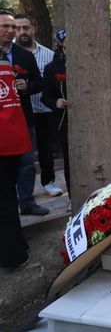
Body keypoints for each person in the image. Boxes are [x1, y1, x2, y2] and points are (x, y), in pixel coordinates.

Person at [0, 10, 48, 216]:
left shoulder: (25, 56)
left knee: (27, 162)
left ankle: (27, 202)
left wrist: (27, 85)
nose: (11, 31)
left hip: (23, 119)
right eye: (7, 26)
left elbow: (40, 82)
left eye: (13, 27)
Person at [14, 14, 62, 196]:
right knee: (22, 154)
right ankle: (22, 190)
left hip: (44, 110)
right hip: (19, 112)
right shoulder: (10, 55)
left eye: (25, 28)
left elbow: (50, 84)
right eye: (17, 29)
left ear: (33, 29)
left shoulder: (49, 55)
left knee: (46, 149)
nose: (22, 32)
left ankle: (48, 182)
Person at [0, 39, 31, 270]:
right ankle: (17, 246)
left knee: (5, 201)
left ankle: (12, 254)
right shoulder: (6, 65)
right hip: (14, 138)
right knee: (8, 196)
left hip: (4, 140)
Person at [41, 30, 71, 196]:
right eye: (67, 47)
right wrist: (56, 102)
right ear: (61, 47)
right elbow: (45, 97)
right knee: (69, 160)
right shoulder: (51, 68)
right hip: (63, 120)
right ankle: (73, 197)